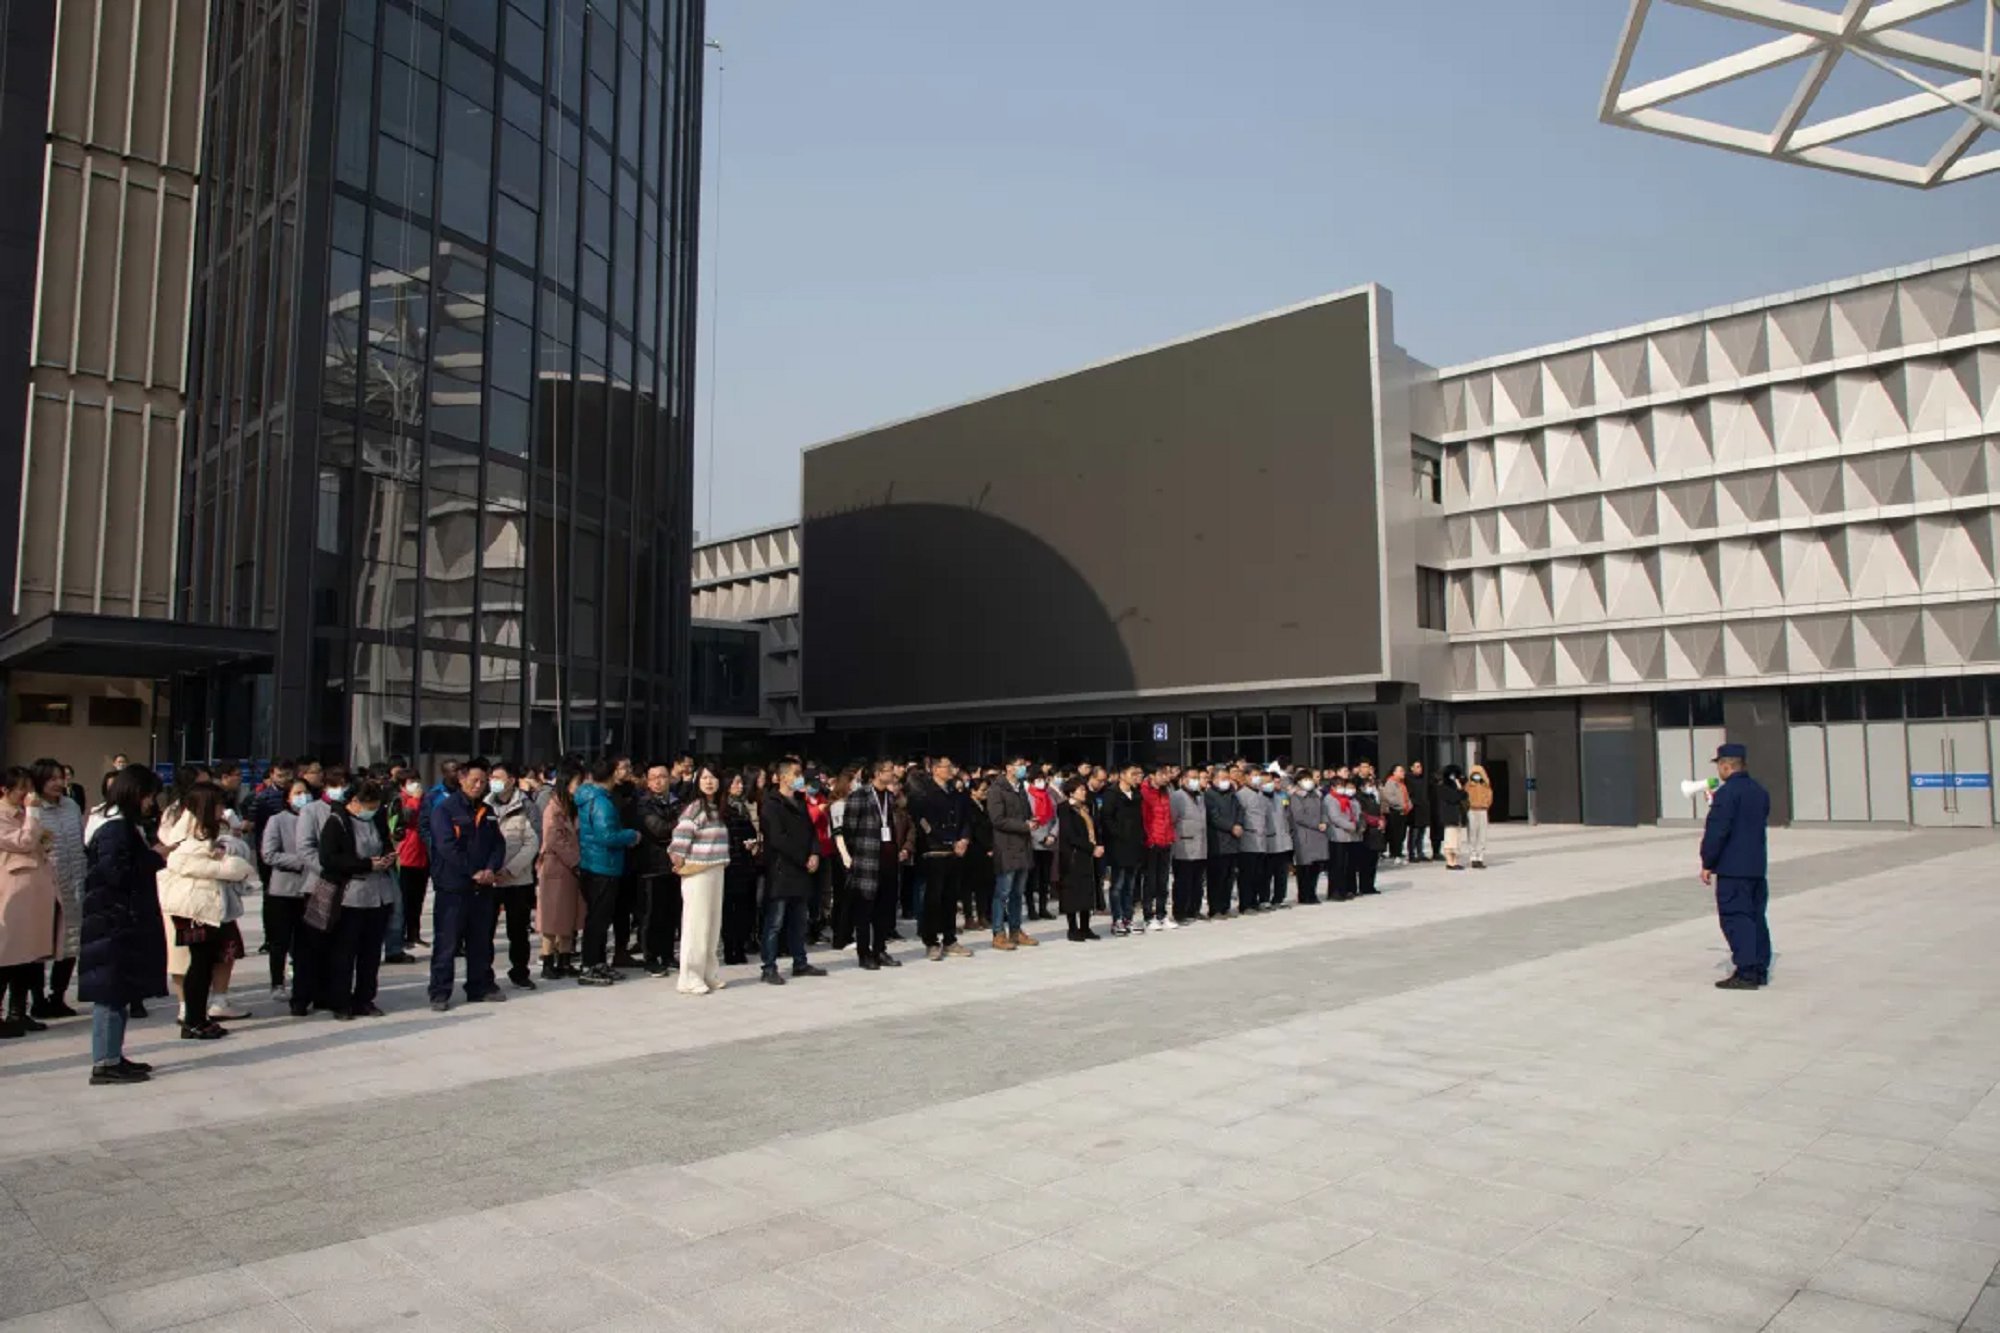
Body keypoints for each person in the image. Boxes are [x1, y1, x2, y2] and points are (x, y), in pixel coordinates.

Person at [79, 765, 166, 1083]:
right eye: (148, 796)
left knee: (120, 994)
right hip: (112, 922)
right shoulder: (114, 829)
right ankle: (105, 1063)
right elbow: (116, 873)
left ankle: (114, 1055)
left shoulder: (125, 826)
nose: (151, 803)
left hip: (119, 921)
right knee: (110, 995)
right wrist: (154, 858)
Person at [156, 784, 255, 1040]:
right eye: (219, 804)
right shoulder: (189, 832)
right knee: (198, 964)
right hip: (193, 908)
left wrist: (224, 859)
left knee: (205, 962)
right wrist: (225, 866)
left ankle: (198, 1017)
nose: (223, 810)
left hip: (207, 905)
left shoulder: (207, 830)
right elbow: (182, 861)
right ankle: (193, 1020)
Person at [426, 759, 507, 1011]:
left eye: (483, 781)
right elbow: (446, 846)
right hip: (453, 887)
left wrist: (490, 869)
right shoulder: (445, 810)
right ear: (461, 779)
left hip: (482, 887)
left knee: (480, 941)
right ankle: (440, 992)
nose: (478, 785)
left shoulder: (487, 810)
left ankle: (479, 987)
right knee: (447, 942)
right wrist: (472, 871)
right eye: (474, 780)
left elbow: (498, 844)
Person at [314, 780, 398, 1020]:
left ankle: (365, 999)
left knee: (371, 953)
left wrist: (387, 857)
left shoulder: (377, 819)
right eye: (369, 805)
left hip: (378, 893)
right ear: (354, 801)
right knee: (344, 952)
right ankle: (340, 1001)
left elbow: (385, 843)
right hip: (350, 895)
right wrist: (365, 864)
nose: (372, 810)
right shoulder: (337, 821)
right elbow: (328, 858)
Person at [1701, 743, 1772, 991]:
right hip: (1756, 867)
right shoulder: (1759, 791)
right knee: (1756, 917)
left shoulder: (1727, 794)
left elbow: (1717, 831)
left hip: (1733, 869)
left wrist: (1707, 862)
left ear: (1726, 766)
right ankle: (1760, 969)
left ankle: (1746, 971)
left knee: (1736, 918)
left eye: (1719, 765)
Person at [0, 767, 61, 1037]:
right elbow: (24, 841)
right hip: (12, 895)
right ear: (5, 790)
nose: (28, 794)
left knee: (27, 957)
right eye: (22, 788)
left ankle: (18, 1012)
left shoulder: (24, 813)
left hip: (34, 895)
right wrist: (33, 813)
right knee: (7, 956)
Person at [758, 760, 829, 983]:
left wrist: (814, 853)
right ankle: (769, 967)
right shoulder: (771, 804)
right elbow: (777, 838)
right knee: (775, 922)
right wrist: (802, 858)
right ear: (783, 777)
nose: (800, 778)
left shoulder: (800, 801)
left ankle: (800, 962)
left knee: (799, 920)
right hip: (782, 869)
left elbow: (812, 831)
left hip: (801, 871)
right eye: (796, 774)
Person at [26, 758, 86, 1018]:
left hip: (74, 881)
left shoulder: (71, 805)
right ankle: (37, 999)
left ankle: (57, 996)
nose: (58, 783)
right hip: (45, 884)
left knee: (71, 942)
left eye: (61, 777)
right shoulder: (31, 808)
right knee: (40, 943)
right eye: (52, 779)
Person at [573, 757, 640, 988]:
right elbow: (606, 836)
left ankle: (598, 962)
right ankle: (589, 965)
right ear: (612, 775)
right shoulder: (601, 802)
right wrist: (631, 835)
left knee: (599, 918)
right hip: (602, 865)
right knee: (597, 920)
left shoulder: (590, 796)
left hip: (596, 864)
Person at [667, 766, 729, 994]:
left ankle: (708, 973)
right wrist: (678, 861)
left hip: (716, 868)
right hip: (698, 873)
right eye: (704, 778)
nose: (709, 782)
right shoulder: (695, 808)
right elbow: (679, 838)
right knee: (697, 925)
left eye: (713, 777)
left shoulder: (718, 809)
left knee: (712, 925)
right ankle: (690, 977)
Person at [838, 760, 906, 971]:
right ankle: (864, 952)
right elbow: (848, 830)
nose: (893, 774)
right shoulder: (860, 796)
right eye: (888, 770)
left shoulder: (890, 797)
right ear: (877, 773)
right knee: (864, 910)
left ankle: (880, 949)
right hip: (867, 861)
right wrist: (858, 853)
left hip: (889, 862)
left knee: (884, 910)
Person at [905, 756, 973, 961]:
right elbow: (924, 823)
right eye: (946, 767)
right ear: (935, 769)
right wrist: (947, 840)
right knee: (933, 898)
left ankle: (950, 939)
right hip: (934, 850)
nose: (950, 770)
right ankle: (931, 941)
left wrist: (964, 839)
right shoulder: (924, 793)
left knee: (951, 897)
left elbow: (966, 818)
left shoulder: (957, 792)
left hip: (956, 851)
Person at [258, 779, 315, 1004]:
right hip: (283, 890)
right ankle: (277, 982)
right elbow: (269, 854)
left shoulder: (315, 817)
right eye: (297, 793)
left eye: (306, 792)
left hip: (310, 888)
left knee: (305, 941)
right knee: (279, 941)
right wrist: (301, 861)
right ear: (288, 798)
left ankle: (304, 982)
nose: (303, 796)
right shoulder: (277, 820)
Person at [487, 761, 541, 989]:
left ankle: (520, 972)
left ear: (511, 780)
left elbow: (533, 841)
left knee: (518, 931)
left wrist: (510, 869)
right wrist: (489, 870)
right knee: (485, 931)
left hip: (518, 879)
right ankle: (485, 976)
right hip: (489, 880)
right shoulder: (484, 805)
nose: (493, 782)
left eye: (498, 778)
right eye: (492, 778)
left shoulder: (526, 805)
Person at [536, 761, 585, 982]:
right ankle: (547, 960)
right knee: (552, 916)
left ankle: (565, 960)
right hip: (556, 867)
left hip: (571, 869)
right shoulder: (553, 808)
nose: (580, 786)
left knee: (569, 915)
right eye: (578, 782)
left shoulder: (572, 806)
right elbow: (555, 839)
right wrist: (576, 861)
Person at [985, 758, 1039, 951]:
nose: (1023, 768)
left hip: (1023, 846)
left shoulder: (1021, 788)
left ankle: (1016, 930)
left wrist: (1032, 821)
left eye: (1024, 765)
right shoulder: (997, 789)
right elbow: (997, 819)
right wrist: (1023, 825)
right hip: (1006, 847)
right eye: (1019, 764)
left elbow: (1026, 813)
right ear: (1008, 768)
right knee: (1003, 893)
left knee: (1018, 892)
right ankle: (998, 932)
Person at [634, 764, 683, 978]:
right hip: (651, 866)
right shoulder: (643, 804)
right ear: (647, 781)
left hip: (673, 865)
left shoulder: (676, 801)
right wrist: (681, 823)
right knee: (651, 915)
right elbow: (659, 830)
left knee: (671, 912)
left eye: (662, 776)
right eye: (654, 777)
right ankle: (651, 958)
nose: (658, 781)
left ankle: (668, 954)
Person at [720, 772, 762, 966]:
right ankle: (730, 948)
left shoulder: (743, 807)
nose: (740, 786)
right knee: (730, 909)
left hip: (745, 864)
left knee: (744, 908)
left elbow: (751, 832)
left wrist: (752, 843)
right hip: (729, 866)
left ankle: (741, 945)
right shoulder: (723, 810)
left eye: (741, 782)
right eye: (736, 782)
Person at [1099, 765, 1145, 936]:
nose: (1136, 777)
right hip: (1118, 846)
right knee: (1117, 885)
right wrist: (1119, 834)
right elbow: (1106, 819)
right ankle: (1117, 919)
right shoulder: (1111, 794)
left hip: (1134, 845)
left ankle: (1128, 918)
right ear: (1122, 775)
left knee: (1130, 886)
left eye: (1137, 774)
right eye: (1132, 774)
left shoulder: (1137, 795)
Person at [389, 772, 428, 963]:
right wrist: (415, 800)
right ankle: (400, 937)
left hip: (422, 854)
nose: (416, 785)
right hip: (405, 856)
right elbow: (405, 820)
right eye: (412, 781)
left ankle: (414, 933)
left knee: (417, 899)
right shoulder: (400, 800)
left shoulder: (424, 799)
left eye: (417, 781)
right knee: (403, 900)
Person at [1139, 765, 1176, 932]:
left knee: (1163, 881)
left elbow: (1168, 817)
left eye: (1167, 774)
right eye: (1162, 774)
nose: (1166, 777)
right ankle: (1148, 916)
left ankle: (1162, 914)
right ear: (1152, 775)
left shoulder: (1165, 791)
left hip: (1165, 840)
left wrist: (1170, 837)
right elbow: (1144, 819)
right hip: (1152, 842)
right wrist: (1149, 839)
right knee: (1150, 881)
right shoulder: (1144, 792)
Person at [1169, 771, 1206, 925]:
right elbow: (1172, 819)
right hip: (1183, 844)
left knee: (1197, 881)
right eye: (1192, 778)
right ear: (1183, 779)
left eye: (1197, 778)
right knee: (1183, 881)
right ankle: (1180, 912)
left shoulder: (1200, 796)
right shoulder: (1177, 796)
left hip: (1200, 845)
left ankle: (1194, 909)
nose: (1195, 781)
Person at [1204, 770, 1242, 918]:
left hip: (1233, 841)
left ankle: (1225, 906)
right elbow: (1214, 817)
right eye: (1222, 778)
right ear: (1213, 779)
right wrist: (1231, 827)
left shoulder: (1232, 794)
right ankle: (1215, 908)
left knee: (1229, 876)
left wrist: (1238, 824)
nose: (1226, 781)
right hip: (1217, 842)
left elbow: (1240, 811)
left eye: (1227, 778)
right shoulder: (1209, 795)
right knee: (1216, 877)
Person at [1235, 771, 1275, 912]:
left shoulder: (1261, 794)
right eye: (1254, 775)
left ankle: (1255, 901)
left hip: (1261, 839)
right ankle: (1245, 904)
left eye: (1258, 775)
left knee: (1259, 873)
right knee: (1247, 874)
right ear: (1246, 777)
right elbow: (1240, 815)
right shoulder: (1241, 795)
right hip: (1248, 838)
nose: (1257, 778)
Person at [1289, 772, 1330, 905]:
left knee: (1316, 866)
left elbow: (1324, 811)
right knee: (1305, 866)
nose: (1308, 781)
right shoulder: (1296, 797)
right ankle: (1304, 894)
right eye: (1305, 779)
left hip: (1319, 834)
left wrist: (1324, 822)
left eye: (1309, 778)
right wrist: (1316, 824)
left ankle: (1312, 893)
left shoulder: (1317, 795)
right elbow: (1299, 816)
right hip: (1304, 834)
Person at [1027, 771, 1059, 921]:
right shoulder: (1027, 797)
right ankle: (1031, 909)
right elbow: (1027, 820)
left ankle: (1043, 907)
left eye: (1043, 779)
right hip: (1033, 842)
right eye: (1038, 780)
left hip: (1049, 842)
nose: (1041, 782)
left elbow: (1056, 818)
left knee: (1045, 878)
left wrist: (1052, 835)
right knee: (1031, 878)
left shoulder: (1049, 796)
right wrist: (1040, 837)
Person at [1265, 772, 1295, 909]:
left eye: (1278, 782)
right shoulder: (1262, 798)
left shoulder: (1282, 797)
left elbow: (1287, 816)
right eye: (1274, 782)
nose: (1277, 784)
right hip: (1269, 841)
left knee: (1282, 872)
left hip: (1283, 840)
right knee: (1267, 873)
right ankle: (1264, 898)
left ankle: (1279, 897)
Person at [1436, 767, 1468, 871]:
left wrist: (1459, 786)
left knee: (1456, 840)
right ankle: (1450, 862)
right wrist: (1459, 789)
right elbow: (1455, 798)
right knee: (1450, 840)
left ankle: (1454, 861)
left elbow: (1464, 795)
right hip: (1449, 817)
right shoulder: (1443, 787)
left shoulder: (1454, 787)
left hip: (1457, 817)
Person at [1464, 764, 1494, 869]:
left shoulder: (1486, 786)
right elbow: (1464, 798)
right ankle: (1473, 857)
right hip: (1472, 810)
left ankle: (1480, 857)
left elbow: (1490, 797)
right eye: (1474, 774)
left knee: (1482, 834)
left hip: (1483, 810)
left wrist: (1486, 804)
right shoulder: (1468, 786)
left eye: (1478, 774)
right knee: (1472, 833)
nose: (1476, 776)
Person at [1380, 766, 1411, 868]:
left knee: (1401, 834)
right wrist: (1402, 805)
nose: (1403, 773)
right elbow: (1390, 798)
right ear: (1394, 772)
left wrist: (1409, 805)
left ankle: (1398, 852)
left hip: (1403, 811)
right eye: (1400, 771)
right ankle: (1395, 853)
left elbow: (1406, 796)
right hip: (1394, 811)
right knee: (1395, 834)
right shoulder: (1390, 783)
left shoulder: (1402, 784)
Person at [1405, 760, 1431, 862]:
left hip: (1423, 808)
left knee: (1421, 833)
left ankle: (1420, 852)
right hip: (1414, 809)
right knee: (1414, 833)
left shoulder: (1423, 779)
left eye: (1420, 767)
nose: (1419, 769)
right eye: (1417, 766)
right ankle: (1412, 853)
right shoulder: (1408, 779)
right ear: (1411, 768)